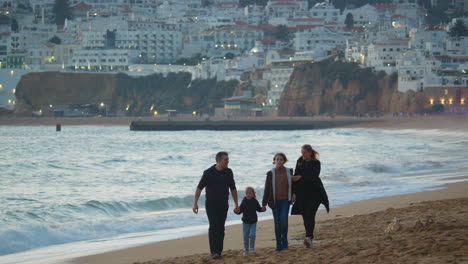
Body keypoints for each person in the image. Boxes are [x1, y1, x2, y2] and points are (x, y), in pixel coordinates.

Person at [193, 151, 239, 259]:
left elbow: (233, 188)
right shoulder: (208, 173)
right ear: (218, 161)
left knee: (221, 228)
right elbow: (199, 188)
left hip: (223, 204)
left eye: (228, 159)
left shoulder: (228, 172)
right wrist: (195, 203)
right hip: (211, 204)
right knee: (214, 226)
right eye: (225, 159)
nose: (228, 161)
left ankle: (218, 252)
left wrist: (236, 204)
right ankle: (214, 252)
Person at [291, 144, 330, 249]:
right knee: (305, 216)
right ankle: (309, 238)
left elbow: (313, 177)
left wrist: (300, 177)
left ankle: (309, 238)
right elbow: (296, 175)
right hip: (302, 193)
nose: (302, 154)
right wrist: (293, 193)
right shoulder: (299, 161)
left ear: (310, 152)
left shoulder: (316, 163)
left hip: (315, 193)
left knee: (310, 214)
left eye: (304, 152)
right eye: (301, 152)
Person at [262, 153, 294, 252]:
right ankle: (278, 245)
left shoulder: (289, 171)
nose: (279, 161)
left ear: (284, 161)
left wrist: (294, 194)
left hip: (285, 200)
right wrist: (263, 203)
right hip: (274, 202)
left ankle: (285, 242)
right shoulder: (270, 173)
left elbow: (294, 185)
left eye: (281, 159)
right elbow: (267, 188)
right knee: (277, 223)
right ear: (274, 161)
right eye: (277, 159)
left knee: (284, 221)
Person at [235, 186, 265, 256]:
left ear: (253, 194)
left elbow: (259, 209)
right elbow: (240, 210)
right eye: (247, 193)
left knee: (252, 235)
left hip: (253, 222)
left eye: (250, 193)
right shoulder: (244, 201)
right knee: (245, 237)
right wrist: (236, 211)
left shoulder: (255, 201)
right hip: (245, 222)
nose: (248, 195)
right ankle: (246, 250)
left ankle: (252, 247)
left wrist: (263, 209)